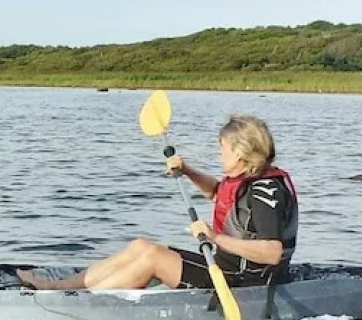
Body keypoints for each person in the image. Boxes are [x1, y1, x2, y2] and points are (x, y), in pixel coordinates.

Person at [20, 114, 297, 291]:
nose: (218, 153)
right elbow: (218, 194)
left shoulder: (265, 192)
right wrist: (187, 170)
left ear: (240, 152)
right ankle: (63, 288)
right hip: (225, 265)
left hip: (247, 280)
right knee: (142, 246)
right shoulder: (245, 177)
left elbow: (272, 252)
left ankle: (87, 302)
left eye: (221, 148)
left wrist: (213, 236)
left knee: (152, 258)